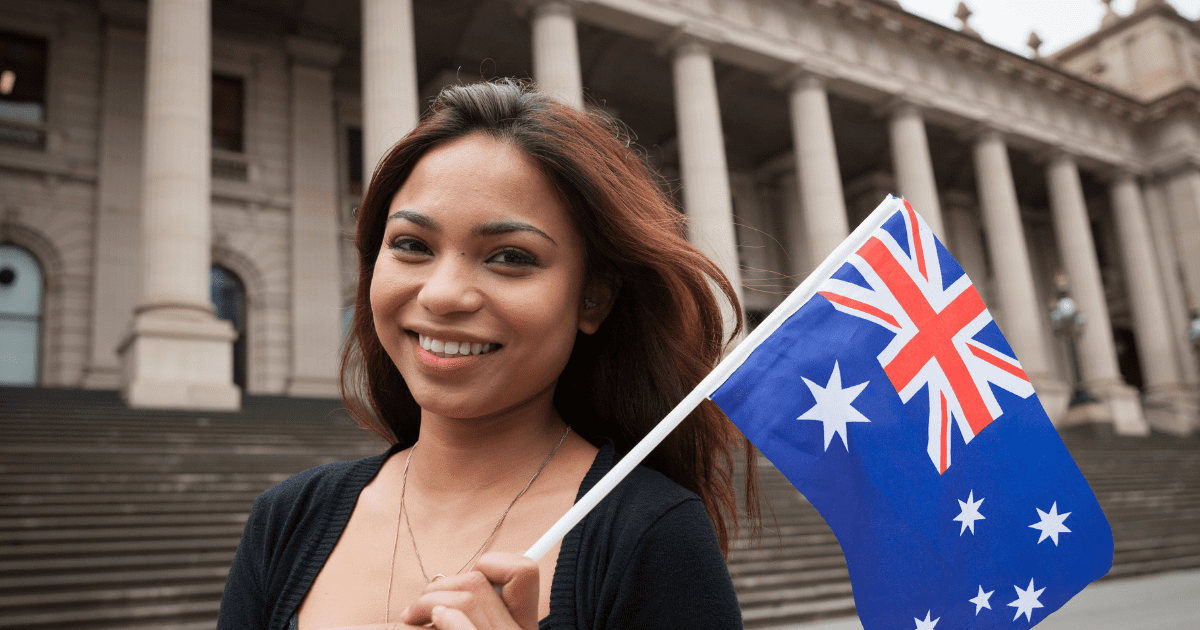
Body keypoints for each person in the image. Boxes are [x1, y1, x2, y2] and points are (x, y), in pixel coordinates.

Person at [217, 79, 760, 630]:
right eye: (411, 245)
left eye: (509, 257)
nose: (443, 294)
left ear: (593, 297)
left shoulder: (652, 533)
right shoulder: (286, 521)